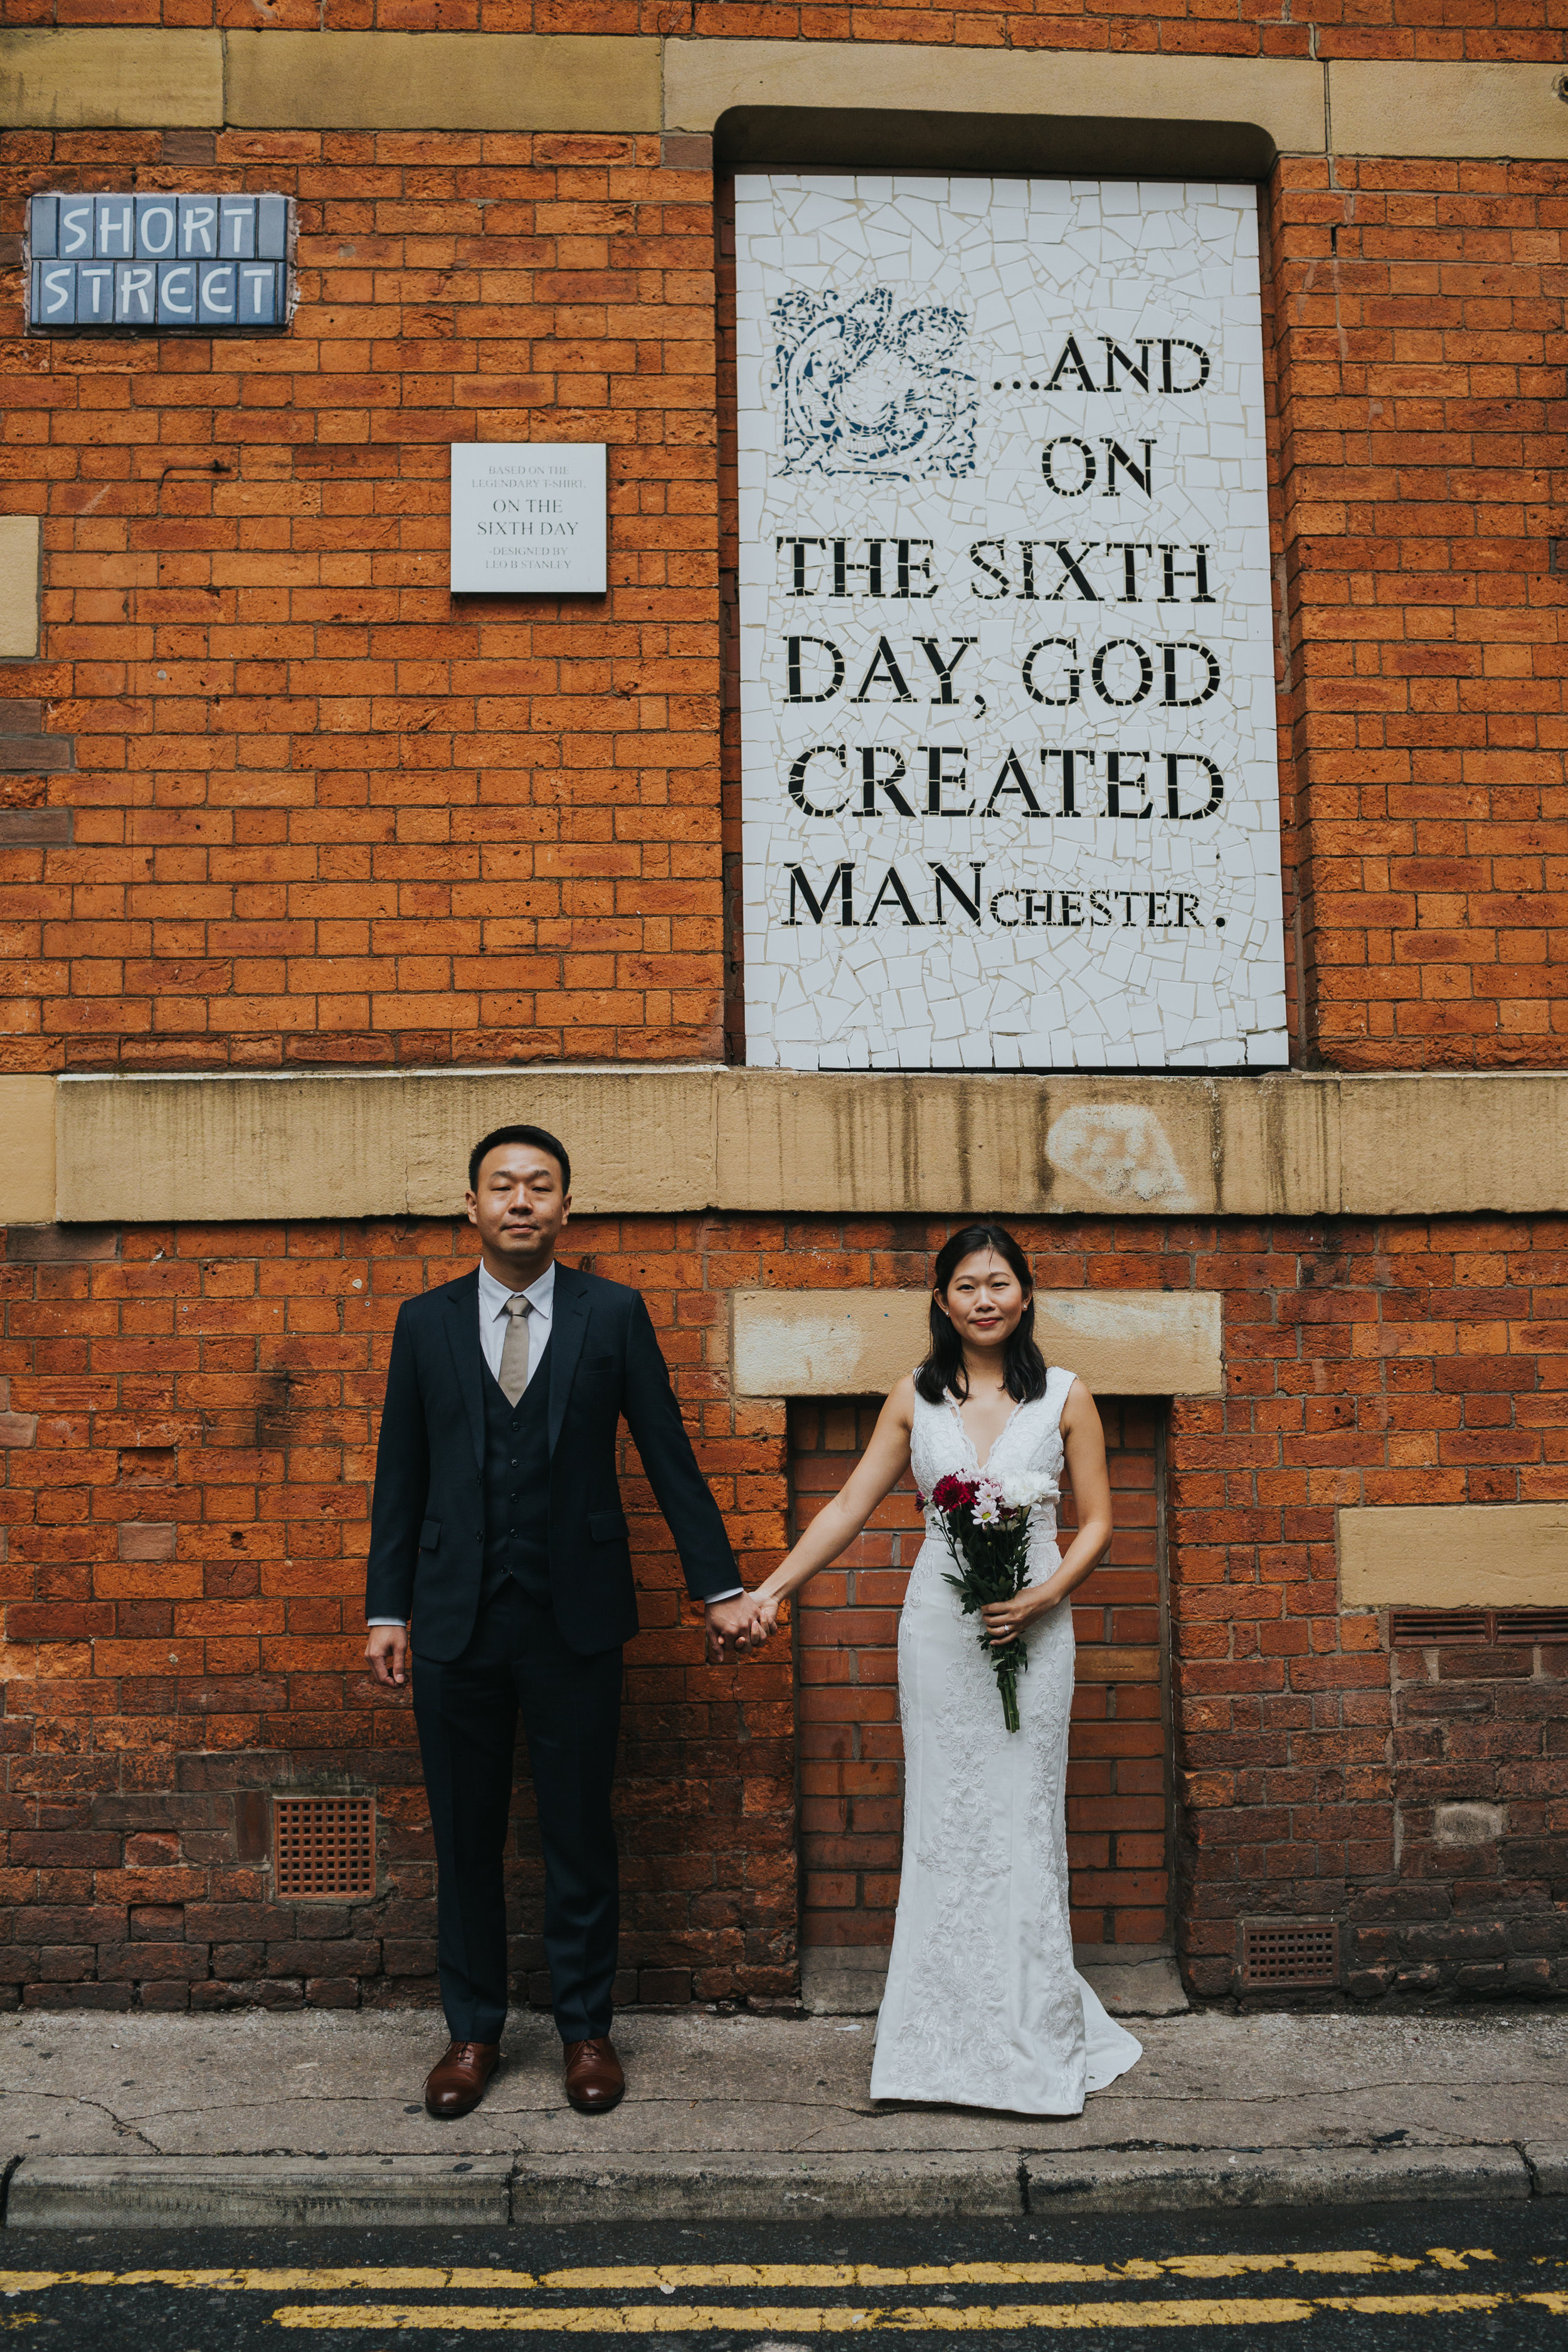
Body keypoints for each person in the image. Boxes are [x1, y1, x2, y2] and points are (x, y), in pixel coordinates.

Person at [364, 1125, 759, 2121]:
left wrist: (718, 1586)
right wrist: (388, 1607)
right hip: (455, 1619)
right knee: (466, 1836)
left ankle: (587, 2030)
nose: (522, 1201)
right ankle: (473, 2032)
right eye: (503, 1186)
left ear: (567, 1209)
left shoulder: (613, 1315)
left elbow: (668, 1453)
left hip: (575, 1619)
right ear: (473, 1207)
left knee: (580, 1830)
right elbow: (399, 1479)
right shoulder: (425, 1322)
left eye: (541, 1186)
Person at [744, 1224, 1143, 2114]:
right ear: (941, 1300)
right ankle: (934, 2043)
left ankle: (1032, 2033)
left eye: (1000, 1282)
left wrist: (1040, 1600)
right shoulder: (913, 1399)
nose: (985, 1298)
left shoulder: (1068, 1398)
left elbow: (1101, 1522)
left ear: (1026, 1295)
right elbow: (849, 1502)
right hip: (939, 1633)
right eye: (967, 1285)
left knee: (1021, 1819)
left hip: (1034, 1630)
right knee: (946, 1821)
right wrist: (773, 1588)